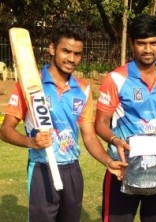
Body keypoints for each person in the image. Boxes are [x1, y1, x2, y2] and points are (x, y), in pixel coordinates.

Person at [0, 20, 126, 222]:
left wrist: (109, 161)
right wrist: (32, 142)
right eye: (66, 51)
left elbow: (89, 136)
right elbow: (5, 130)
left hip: (72, 170)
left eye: (77, 54)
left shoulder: (83, 90)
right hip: (42, 169)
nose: (72, 59)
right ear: (52, 48)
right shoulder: (30, 84)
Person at [95, 14, 156, 221]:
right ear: (132, 44)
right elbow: (101, 123)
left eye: (153, 43)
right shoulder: (116, 78)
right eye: (141, 43)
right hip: (124, 168)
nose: (147, 50)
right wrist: (115, 140)